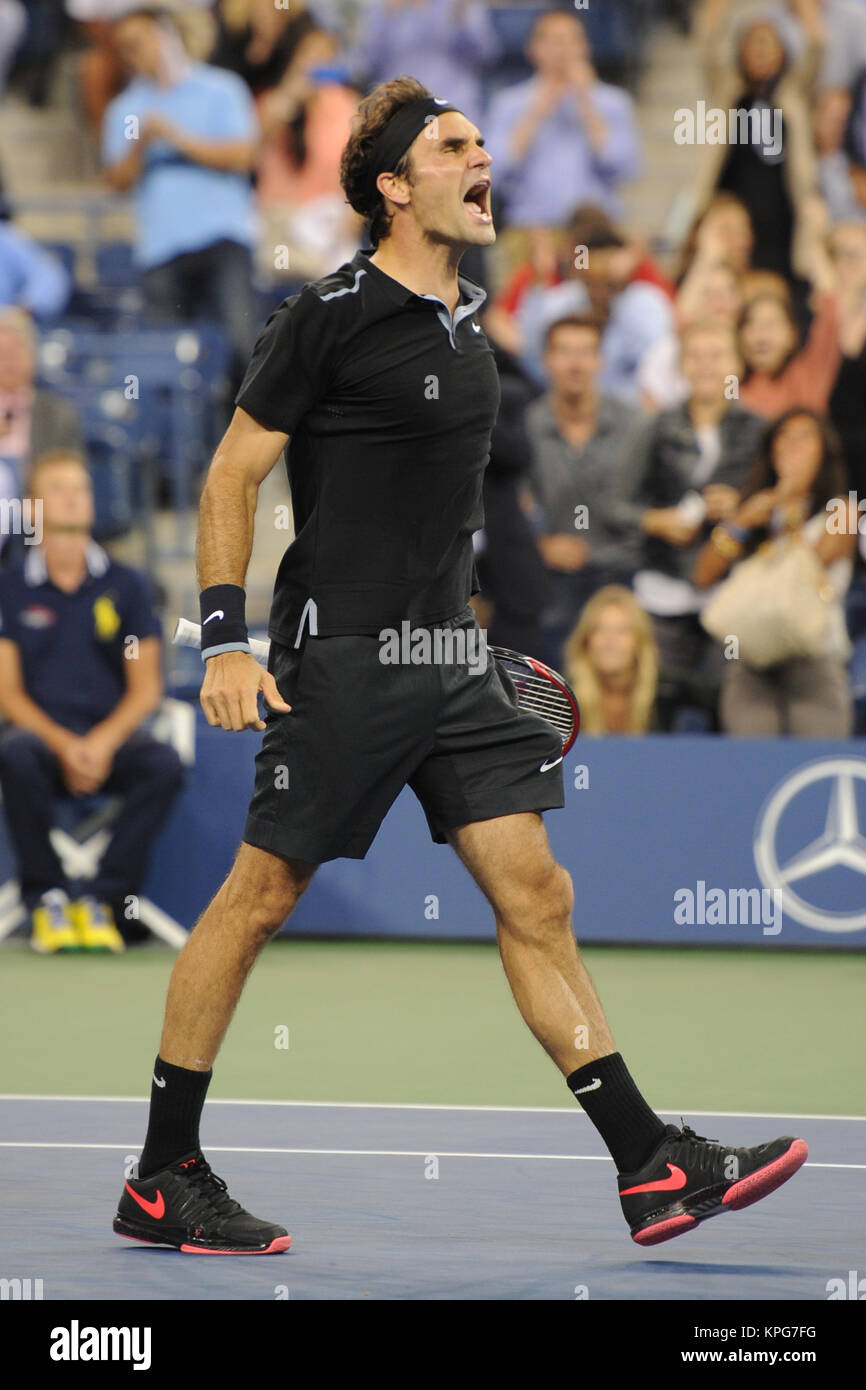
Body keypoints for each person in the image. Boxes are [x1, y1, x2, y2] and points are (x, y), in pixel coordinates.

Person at [112, 75, 808, 1258]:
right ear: (394, 186)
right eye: (452, 146)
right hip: (344, 658)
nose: (480, 158)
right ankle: (161, 1172)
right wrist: (224, 637)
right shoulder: (325, 315)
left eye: (483, 142)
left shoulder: (474, 323)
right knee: (257, 898)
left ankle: (646, 1163)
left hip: (455, 659)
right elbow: (233, 475)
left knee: (536, 893)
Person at [0, 449, 184, 951]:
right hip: (39, 745)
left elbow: (147, 688)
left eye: (80, 487)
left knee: (164, 764)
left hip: (112, 742)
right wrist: (65, 746)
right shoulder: (9, 587)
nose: (73, 497)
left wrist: (101, 743)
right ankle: (48, 900)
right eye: (58, 488)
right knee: (15, 754)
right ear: (33, 508)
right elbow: (7, 693)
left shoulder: (128, 586)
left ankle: (105, 900)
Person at [102, 8, 260, 388]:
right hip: (160, 247)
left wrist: (176, 138)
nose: (130, 55)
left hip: (222, 238)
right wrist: (141, 143)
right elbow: (116, 181)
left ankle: (250, 443)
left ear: (165, 36)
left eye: (137, 43)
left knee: (242, 347)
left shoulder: (221, 88)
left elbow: (243, 156)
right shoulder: (125, 108)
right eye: (122, 49)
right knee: (168, 359)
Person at [693, 409, 856, 736]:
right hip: (752, 659)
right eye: (784, 436)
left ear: (824, 451)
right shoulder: (754, 511)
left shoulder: (843, 511)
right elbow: (702, 576)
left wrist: (788, 503)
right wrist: (739, 523)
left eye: (805, 437)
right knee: (751, 768)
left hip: (814, 657)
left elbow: (810, 568)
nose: (792, 445)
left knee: (813, 764)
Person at [625, 320, 765, 702]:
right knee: (659, 698)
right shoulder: (655, 426)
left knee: (728, 700)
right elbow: (613, 506)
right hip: (664, 587)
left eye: (718, 355)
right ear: (680, 366)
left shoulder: (759, 430)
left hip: (731, 588)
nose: (706, 366)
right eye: (695, 356)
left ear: (738, 363)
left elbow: (780, 510)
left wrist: (742, 508)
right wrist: (656, 520)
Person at [524, 313, 644, 665]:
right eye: (564, 352)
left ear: (599, 360)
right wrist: (540, 546)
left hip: (625, 570)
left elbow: (658, 496)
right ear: (545, 360)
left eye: (585, 352)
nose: (575, 363)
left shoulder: (635, 424)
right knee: (553, 685)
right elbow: (498, 509)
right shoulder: (526, 427)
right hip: (556, 577)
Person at [485, 10, 641, 229]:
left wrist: (587, 105)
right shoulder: (509, 103)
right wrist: (534, 114)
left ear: (585, 47)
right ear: (532, 49)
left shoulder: (613, 102)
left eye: (572, 40)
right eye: (554, 41)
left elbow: (625, 168)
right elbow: (494, 172)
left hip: (597, 228)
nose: (563, 50)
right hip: (531, 228)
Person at [349, 0, 499, 128]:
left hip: (454, 105)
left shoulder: (460, 5)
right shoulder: (381, 8)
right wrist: (387, 17)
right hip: (398, 108)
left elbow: (486, 54)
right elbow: (366, 65)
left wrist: (461, 19)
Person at [563, 585, 659, 736]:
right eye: (600, 629)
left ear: (639, 642)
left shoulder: (668, 692)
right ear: (586, 640)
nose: (610, 641)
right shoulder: (562, 701)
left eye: (622, 631)